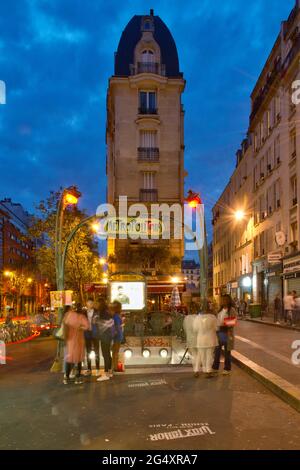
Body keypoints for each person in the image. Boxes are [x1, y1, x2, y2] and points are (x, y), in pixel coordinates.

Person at [63, 303, 89, 385]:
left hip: (70, 340)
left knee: (69, 357)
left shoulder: (69, 315)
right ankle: (78, 378)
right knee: (78, 359)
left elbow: (64, 324)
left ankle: (66, 378)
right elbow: (87, 326)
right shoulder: (81, 317)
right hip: (78, 340)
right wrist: (80, 327)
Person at [212, 294, 237, 376]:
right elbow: (217, 320)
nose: (223, 301)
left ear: (228, 301)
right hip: (219, 332)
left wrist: (223, 324)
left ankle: (227, 368)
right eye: (222, 300)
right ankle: (215, 368)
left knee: (227, 352)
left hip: (227, 333)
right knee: (217, 351)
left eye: (225, 300)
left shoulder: (231, 310)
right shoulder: (220, 310)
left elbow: (232, 323)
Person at [193, 300, 218, 378]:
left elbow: (195, 329)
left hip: (200, 340)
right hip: (211, 339)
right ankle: (208, 371)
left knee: (201, 356)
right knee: (209, 356)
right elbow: (216, 328)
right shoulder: (213, 317)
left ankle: (200, 370)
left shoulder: (197, 318)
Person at [96, 299, 114, 382]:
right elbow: (111, 323)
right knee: (108, 354)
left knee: (105, 354)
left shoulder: (102, 313)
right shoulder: (108, 312)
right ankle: (110, 372)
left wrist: (97, 321)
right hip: (109, 336)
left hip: (104, 337)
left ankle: (106, 373)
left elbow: (101, 324)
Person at [84, 298, 100, 376]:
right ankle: (89, 369)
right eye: (88, 303)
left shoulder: (97, 312)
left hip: (95, 333)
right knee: (88, 352)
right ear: (86, 304)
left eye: (91, 303)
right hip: (87, 333)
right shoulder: (84, 313)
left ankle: (97, 369)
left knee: (97, 351)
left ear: (93, 304)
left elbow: (100, 322)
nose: (89, 304)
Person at [183, 302, 199, 377]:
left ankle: (196, 370)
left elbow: (185, 329)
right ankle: (199, 368)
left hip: (190, 339)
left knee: (194, 355)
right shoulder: (199, 318)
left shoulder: (186, 318)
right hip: (198, 339)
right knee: (198, 354)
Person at [111, 301, 123, 372]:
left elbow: (116, 326)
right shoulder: (117, 316)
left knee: (114, 352)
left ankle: (113, 367)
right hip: (118, 335)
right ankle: (114, 367)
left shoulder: (115, 315)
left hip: (116, 335)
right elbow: (118, 326)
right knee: (115, 352)